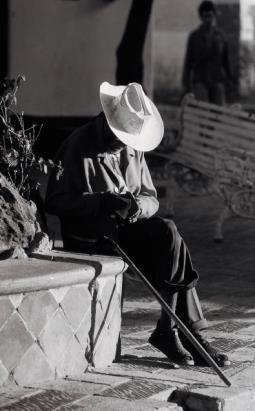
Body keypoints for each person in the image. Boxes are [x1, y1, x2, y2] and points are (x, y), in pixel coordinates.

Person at [45, 81, 230, 367]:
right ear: (109, 123)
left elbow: (151, 197)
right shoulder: (78, 144)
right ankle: (182, 331)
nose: (126, 144)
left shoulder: (132, 148)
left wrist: (137, 207)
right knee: (172, 248)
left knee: (170, 235)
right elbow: (56, 202)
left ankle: (174, 330)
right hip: (94, 234)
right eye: (121, 137)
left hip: (127, 228)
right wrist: (101, 202)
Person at [182, 0, 233, 105]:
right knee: (203, 112)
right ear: (201, 17)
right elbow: (188, 61)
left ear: (214, 16)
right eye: (205, 16)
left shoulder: (221, 37)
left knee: (219, 112)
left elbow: (226, 62)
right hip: (200, 80)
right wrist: (186, 83)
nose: (208, 19)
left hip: (217, 80)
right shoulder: (194, 37)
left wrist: (230, 81)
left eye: (210, 16)